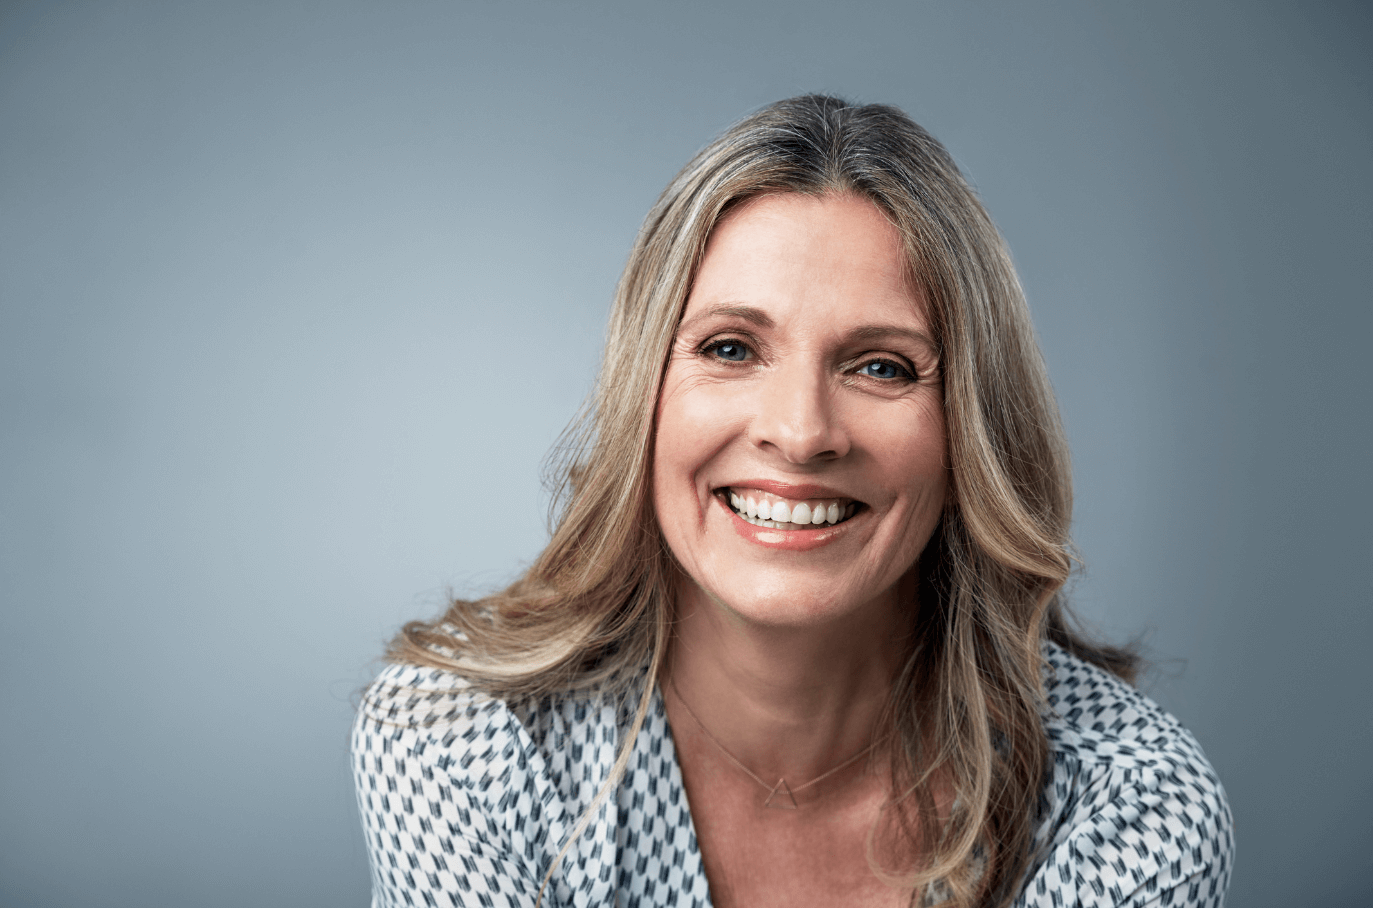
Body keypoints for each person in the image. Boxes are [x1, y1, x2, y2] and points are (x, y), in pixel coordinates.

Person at [352, 95, 1232, 907]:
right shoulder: (463, 741)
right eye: (731, 348)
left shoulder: (1129, 804)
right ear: (644, 394)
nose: (801, 432)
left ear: (971, 428)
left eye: (880, 366)